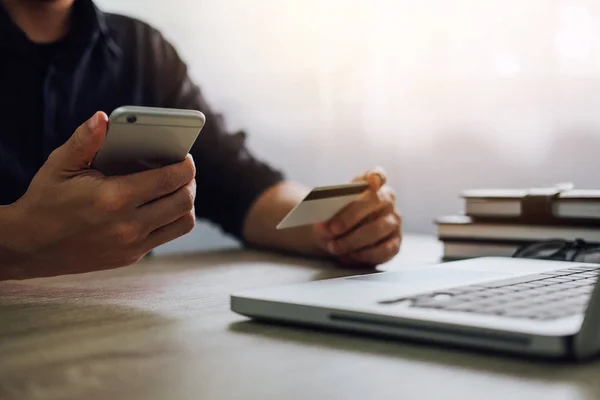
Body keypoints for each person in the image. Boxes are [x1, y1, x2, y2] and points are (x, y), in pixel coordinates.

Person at [0, 0, 402, 280]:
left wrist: (333, 226)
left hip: (117, 338)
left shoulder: (143, 50)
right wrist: (21, 240)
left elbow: (238, 182)